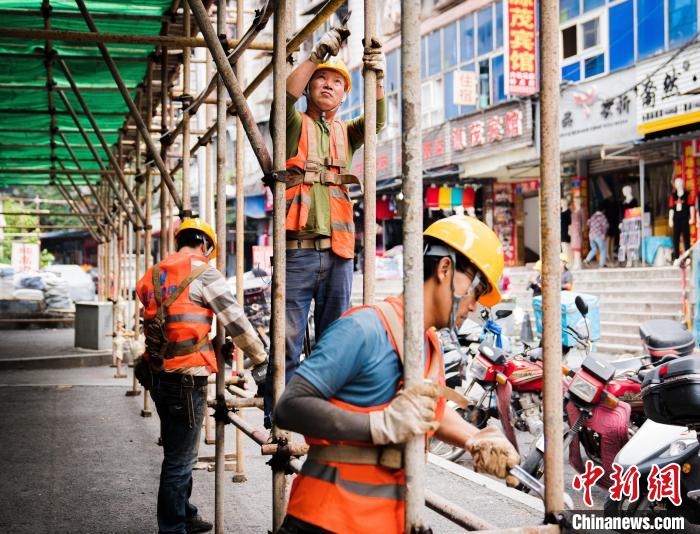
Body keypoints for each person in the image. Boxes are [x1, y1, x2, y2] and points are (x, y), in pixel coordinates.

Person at [274, 216, 520, 534]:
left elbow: (429, 413)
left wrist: (475, 439)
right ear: (445, 270)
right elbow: (290, 406)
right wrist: (378, 425)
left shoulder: (428, 343)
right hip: (324, 520)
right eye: (476, 291)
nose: (473, 307)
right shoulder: (365, 328)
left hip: (387, 522)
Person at [262, 26, 387, 426]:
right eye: (321, 80)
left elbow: (378, 122)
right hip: (297, 252)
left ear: (345, 93)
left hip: (338, 253)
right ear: (310, 85)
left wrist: (378, 79)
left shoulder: (345, 134)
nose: (329, 86)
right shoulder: (294, 125)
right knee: (286, 340)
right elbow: (283, 97)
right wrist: (317, 54)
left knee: (334, 341)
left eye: (337, 82)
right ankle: (279, 412)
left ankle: (321, 414)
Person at [135, 218, 268, 534]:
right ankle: (172, 528)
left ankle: (186, 512)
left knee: (176, 448)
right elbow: (235, 320)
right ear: (207, 245)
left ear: (178, 240)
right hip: (186, 377)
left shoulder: (154, 273)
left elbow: (161, 314)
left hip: (156, 373)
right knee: (180, 461)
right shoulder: (204, 272)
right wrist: (261, 358)